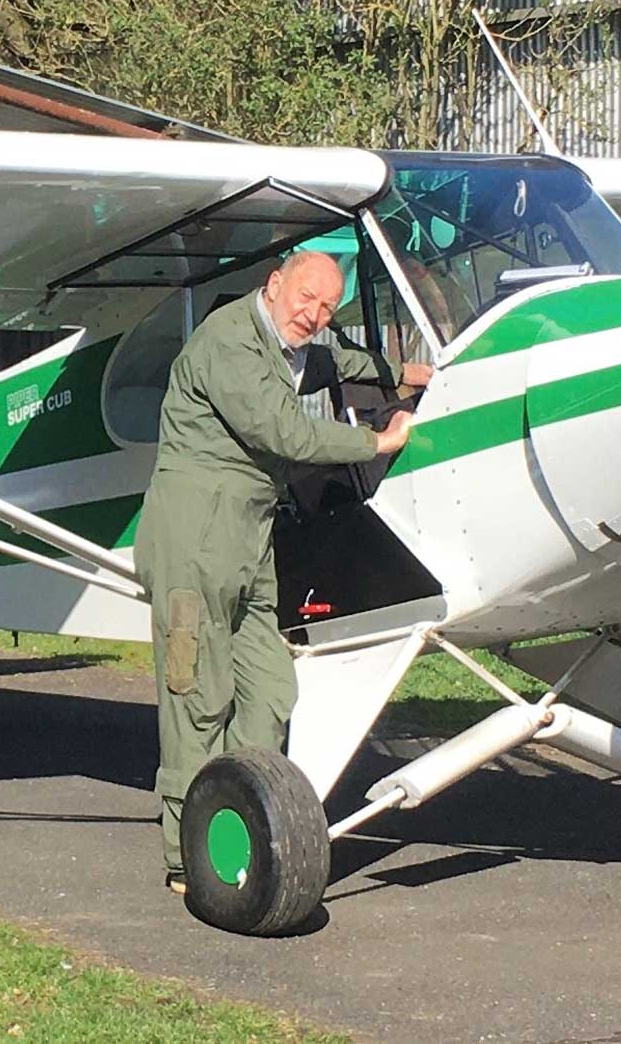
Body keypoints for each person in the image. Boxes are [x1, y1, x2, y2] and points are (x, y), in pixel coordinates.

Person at [140, 248, 432, 891]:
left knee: (272, 692)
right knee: (197, 699)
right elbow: (287, 436)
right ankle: (186, 858)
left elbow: (336, 361)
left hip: (249, 538)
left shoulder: (291, 343)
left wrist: (416, 372)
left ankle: (238, 816)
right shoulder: (229, 343)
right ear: (273, 286)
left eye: (327, 307)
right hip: (195, 538)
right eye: (305, 298)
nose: (314, 314)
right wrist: (378, 441)